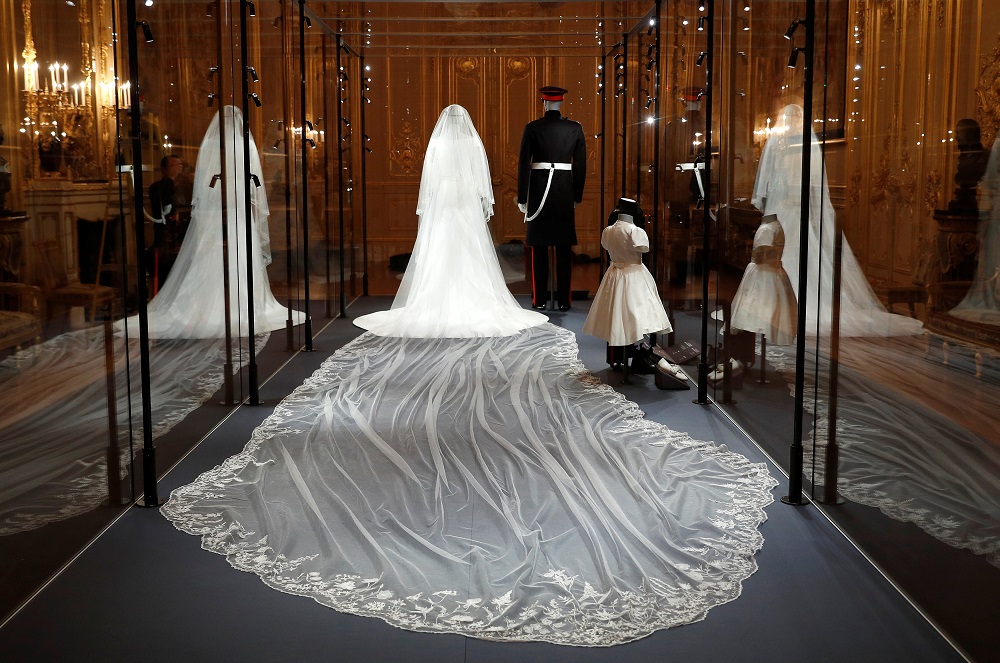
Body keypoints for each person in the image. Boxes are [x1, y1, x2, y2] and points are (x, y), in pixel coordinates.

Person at [354, 104, 547, 338]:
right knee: (469, 243)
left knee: (442, 242)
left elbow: (429, 177)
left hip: (444, 194)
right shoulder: (473, 143)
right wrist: (480, 199)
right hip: (466, 195)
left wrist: (429, 202)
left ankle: (438, 297)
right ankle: (472, 297)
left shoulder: (437, 143)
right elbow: (480, 177)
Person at [118, 105, 303, 339]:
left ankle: (212, 305)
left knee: (215, 258)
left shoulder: (211, 146)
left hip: (220, 213)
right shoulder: (245, 146)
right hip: (236, 213)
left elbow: (205, 186)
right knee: (238, 257)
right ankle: (242, 304)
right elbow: (253, 186)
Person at [752, 104, 922, 337]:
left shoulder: (794, 144)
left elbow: (804, 185)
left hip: (793, 211)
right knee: (787, 254)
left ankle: (792, 303)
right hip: (786, 211)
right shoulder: (789, 144)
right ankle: (777, 303)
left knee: (800, 255)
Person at [517, 85, 587, 311]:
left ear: (544, 102)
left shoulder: (533, 128)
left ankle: (539, 300)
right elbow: (581, 165)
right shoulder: (574, 128)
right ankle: (565, 301)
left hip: (539, 191)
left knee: (540, 247)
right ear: (560, 102)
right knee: (564, 248)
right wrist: (577, 195)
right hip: (564, 191)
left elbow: (523, 164)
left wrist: (522, 197)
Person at [584, 197, 672, 346]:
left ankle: (622, 339)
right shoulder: (635, 231)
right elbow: (643, 248)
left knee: (617, 309)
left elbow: (607, 246)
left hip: (613, 275)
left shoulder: (608, 231)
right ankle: (630, 339)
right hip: (634, 274)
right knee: (634, 309)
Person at [147, 154, 186, 285]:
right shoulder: (157, 187)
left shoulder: (184, 186)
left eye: (180, 165)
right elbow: (165, 205)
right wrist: (170, 180)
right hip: (165, 240)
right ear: (164, 169)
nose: (179, 168)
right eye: (174, 165)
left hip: (182, 237)